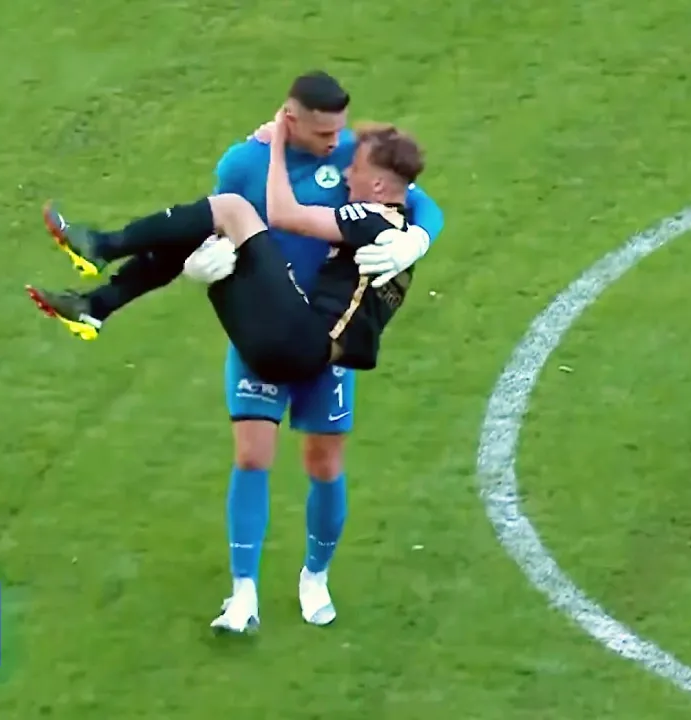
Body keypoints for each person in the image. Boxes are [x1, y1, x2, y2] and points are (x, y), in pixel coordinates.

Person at [25, 118, 433, 631]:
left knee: (325, 464)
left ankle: (315, 577)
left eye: (354, 163)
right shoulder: (246, 161)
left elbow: (293, 213)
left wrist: (420, 236)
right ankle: (243, 594)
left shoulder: (368, 204)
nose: (344, 162)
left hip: (307, 340)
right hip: (293, 326)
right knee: (252, 455)